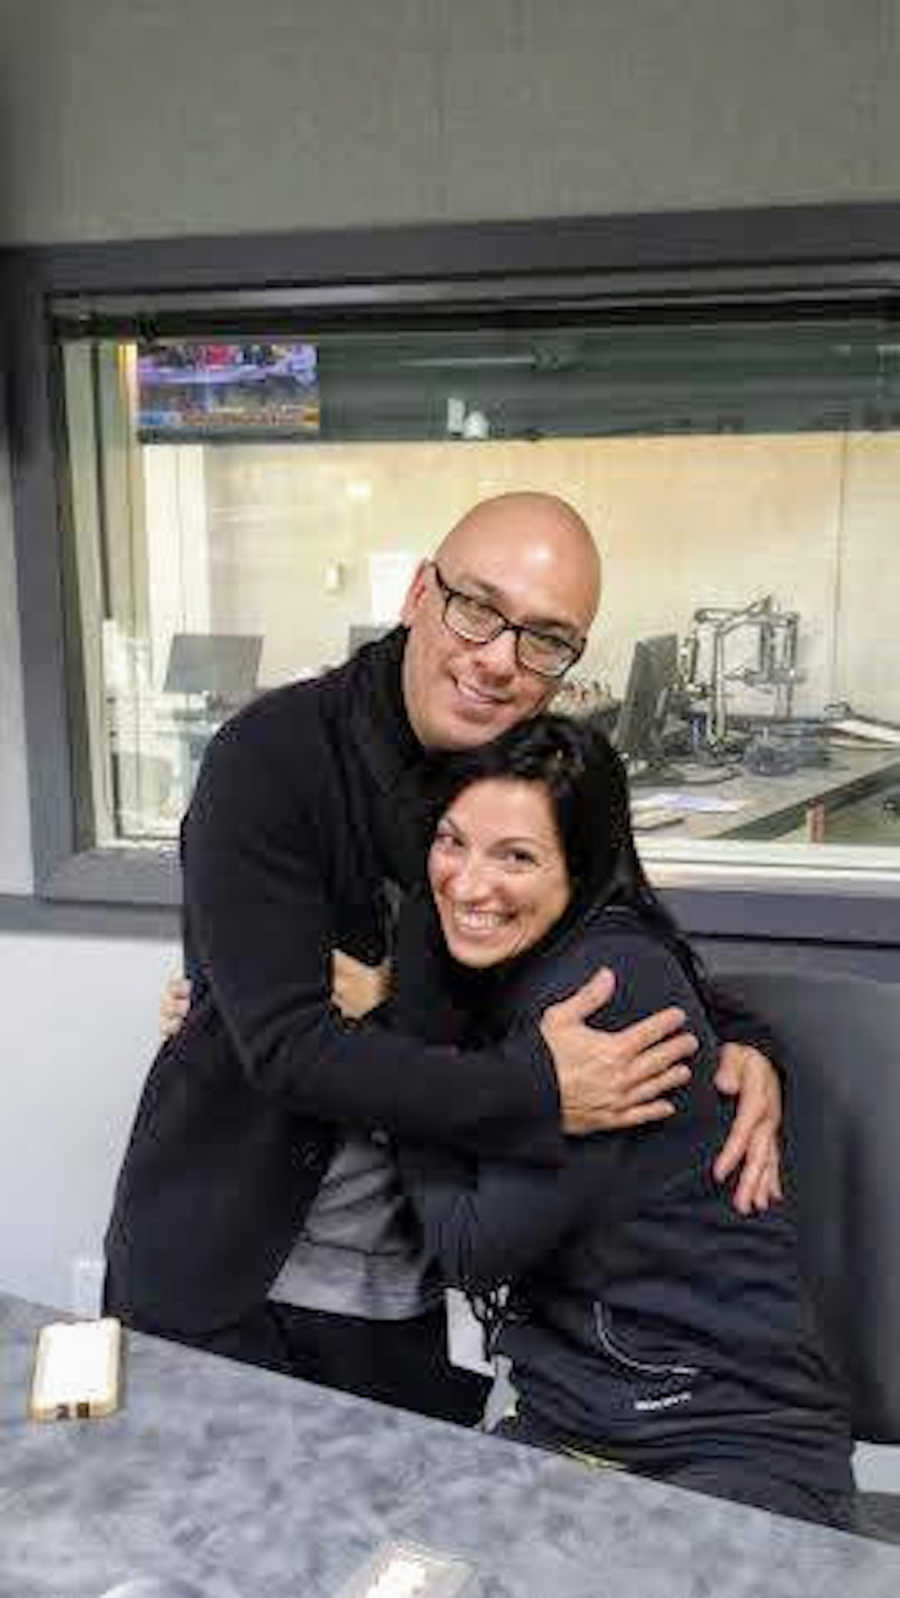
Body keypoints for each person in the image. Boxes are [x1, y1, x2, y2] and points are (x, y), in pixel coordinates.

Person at [105, 492, 781, 1422]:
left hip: (406, 1299)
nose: (499, 659)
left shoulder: (513, 769)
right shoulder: (270, 757)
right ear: (422, 592)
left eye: (546, 639)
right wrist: (539, 1092)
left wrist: (735, 1046)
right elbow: (292, 1048)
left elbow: (611, 913)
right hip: (232, 1287)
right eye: (477, 608)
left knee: (389, 1563)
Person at [395, 714, 854, 1527]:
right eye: (453, 840)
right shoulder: (535, 962)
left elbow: (470, 1246)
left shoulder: (605, 998)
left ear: (582, 868)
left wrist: (400, 1075)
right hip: (575, 1420)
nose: (468, 883)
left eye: (517, 856)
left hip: (721, 1442)